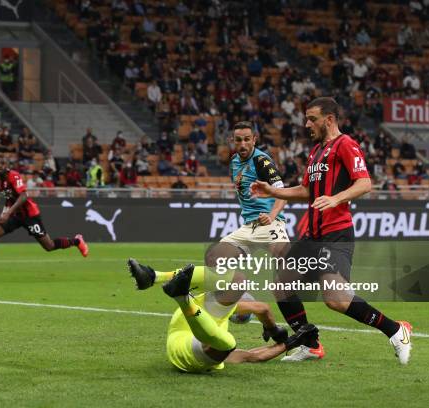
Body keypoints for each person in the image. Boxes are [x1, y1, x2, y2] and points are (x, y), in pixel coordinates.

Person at [251, 97, 412, 364]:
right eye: (306, 118)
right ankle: (310, 344)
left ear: (329, 119)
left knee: (335, 299)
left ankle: (396, 331)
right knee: (282, 285)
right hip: (313, 236)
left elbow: (364, 183)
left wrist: (336, 198)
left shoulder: (346, 145)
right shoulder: (315, 152)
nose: (307, 124)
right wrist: (273, 191)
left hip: (336, 233)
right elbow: (306, 191)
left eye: (312, 118)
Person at [127, 259, 320, 372]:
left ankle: (161, 281)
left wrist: (280, 335)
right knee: (227, 342)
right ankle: (161, 282)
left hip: (183, 344)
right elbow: (253, 355)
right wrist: (287, 339)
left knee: (226, 342)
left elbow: (261, 310)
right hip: (193, 348)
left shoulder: (217, 308)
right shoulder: (223, 313)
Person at [0, 156, 88, 281]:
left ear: (6, 164)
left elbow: (23, 196)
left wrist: (8, 213)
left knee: (49, 246)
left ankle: (77, 241)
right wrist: (4, 213)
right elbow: (8, 200)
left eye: (2, 163)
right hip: (15, 216)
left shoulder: (13, 176)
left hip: (30, 215)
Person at [221, 121, 288, 256]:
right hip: (248, 227)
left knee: (284, 264)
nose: (243, 144)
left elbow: (283, 193)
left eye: (247, 139)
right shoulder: (234, 161)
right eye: (238, 140)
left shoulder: (261, 161)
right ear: (232, 141)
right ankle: (244, 279)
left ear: (254, 140)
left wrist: (271, 215)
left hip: (270, 224)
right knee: (215, 257)